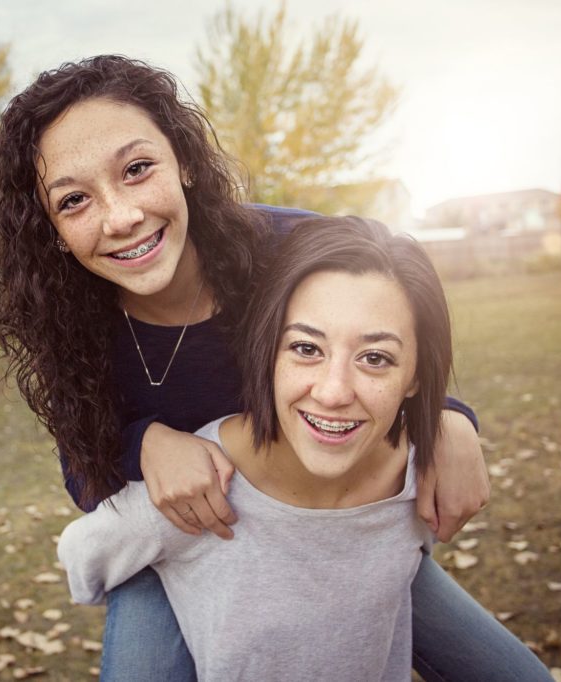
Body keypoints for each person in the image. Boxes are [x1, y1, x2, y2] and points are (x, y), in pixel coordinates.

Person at [0, 55, 545, 680]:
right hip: (182, 540)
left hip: (324, 523)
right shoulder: (65, 318)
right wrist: (147, 446)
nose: (121, 217)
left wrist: (448, 418)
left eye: (137, 170)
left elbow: (395, 330)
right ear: (53, 229)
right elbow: (82, 467)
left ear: (184, 162)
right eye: (75, 201)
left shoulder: (291, 252)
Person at [58, 217, 455, 680]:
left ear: (417, 376)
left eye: (375, 358)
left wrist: (455, 422)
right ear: (267, 352)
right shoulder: (199, 492)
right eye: (307, 348)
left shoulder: (418, 481)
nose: (333, 392)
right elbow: (83, 555)